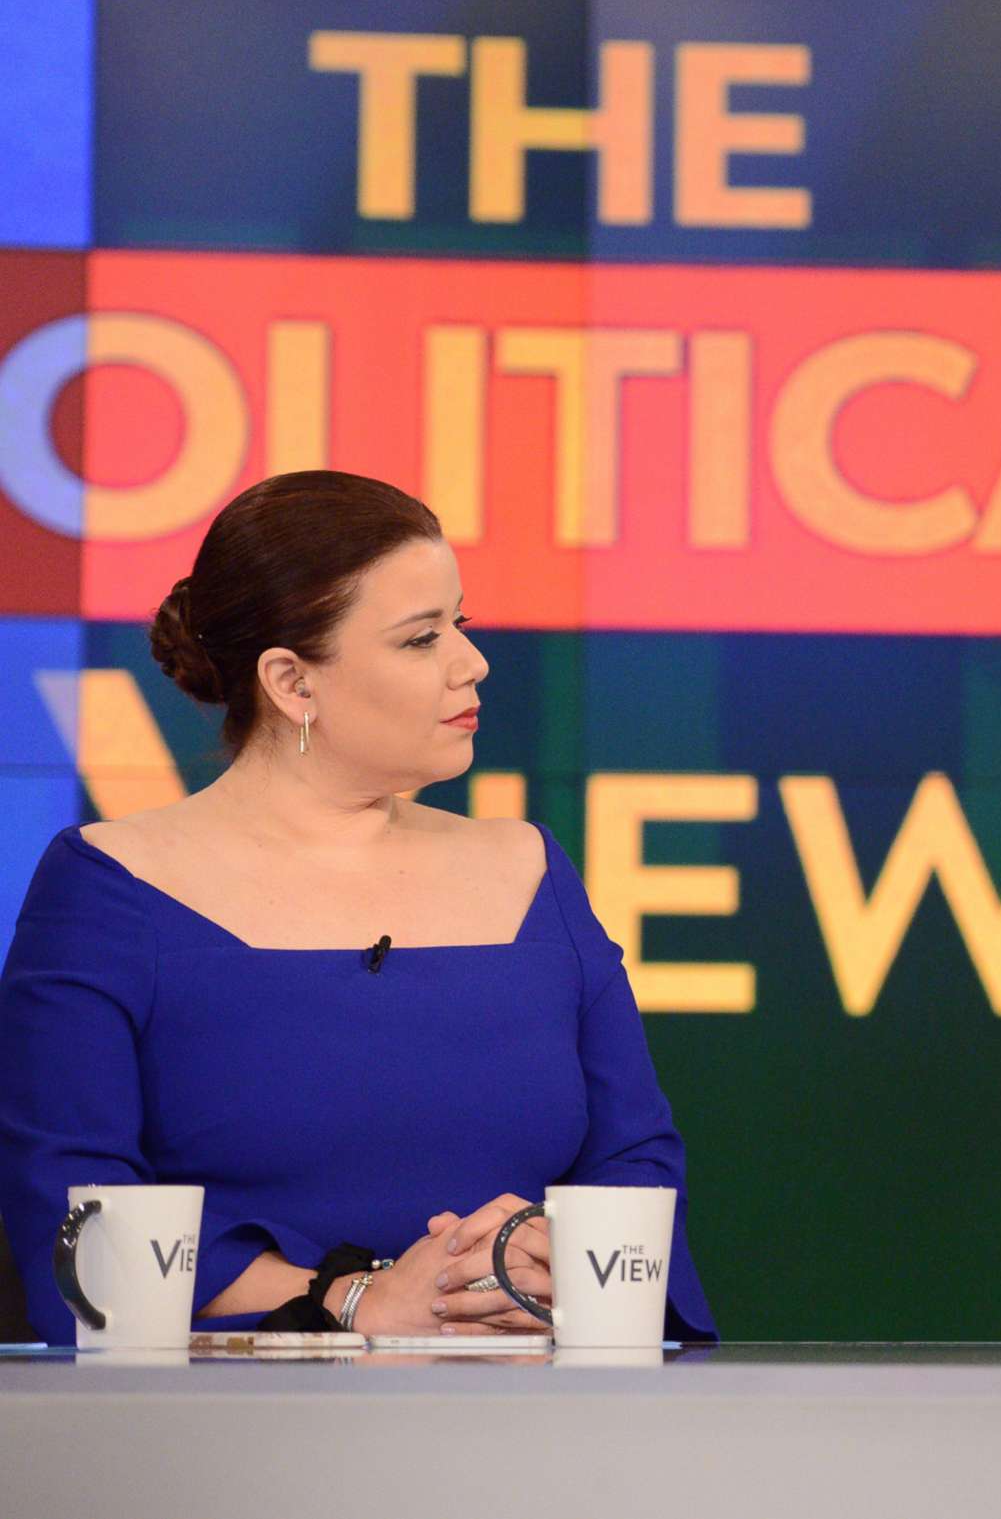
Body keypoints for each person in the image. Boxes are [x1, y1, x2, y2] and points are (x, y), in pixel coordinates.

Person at [0, 471, 714, 1343]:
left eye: (462, 623)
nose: (472, 661)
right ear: (292, 683)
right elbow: (74, 1212)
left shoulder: (531, 868)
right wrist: (354, 1301)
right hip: (219, 1440)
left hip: (535, 1421)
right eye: (421, 639)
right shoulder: (108, 886)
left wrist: (550, 1258)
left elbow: (634, 1161)